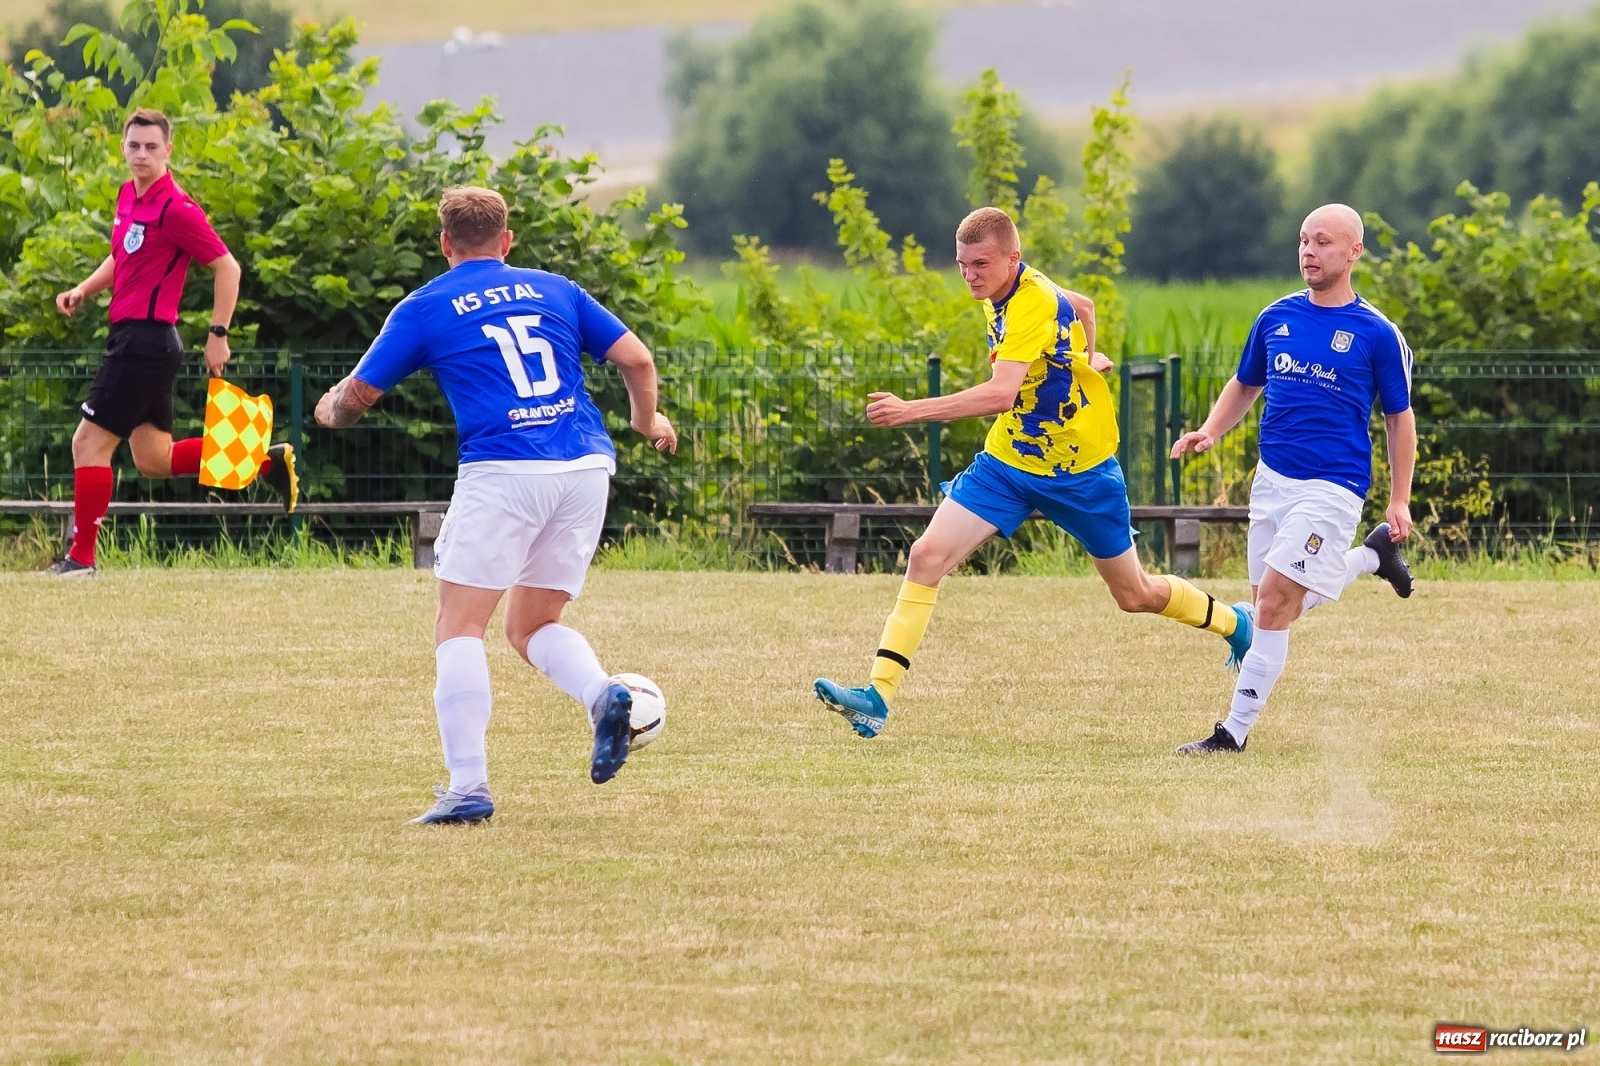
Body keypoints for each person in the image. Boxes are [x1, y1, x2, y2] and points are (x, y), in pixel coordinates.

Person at [813, 206, 1255, 738]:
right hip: (1009, 462)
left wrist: (910, 410)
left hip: (1080, 470)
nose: (970, 275)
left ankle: (1235, 623)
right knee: (927, 556)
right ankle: (876, 696)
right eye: (962, 265)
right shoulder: (1007, 290)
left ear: (1011, 259)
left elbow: (1001, 393)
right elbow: (1085, 305)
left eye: (980, 264)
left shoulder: (1032, 300)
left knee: (1134, 595)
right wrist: (1090, 355)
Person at [314, 185, 678, 824]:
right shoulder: (557, 288)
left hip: (506, 470)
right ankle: (602, 695)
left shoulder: (425, 306)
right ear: (507, 241)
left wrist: (327, 408)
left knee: (459, 626)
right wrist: (647, 422)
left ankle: (468, 787)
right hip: (586, 467)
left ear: (445, 244)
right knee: (531, 625)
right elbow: (638, 359)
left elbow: (356, 400)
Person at [1169, 203, 1415, 755]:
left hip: (1333, 486)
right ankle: (1372, 558)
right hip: (1272, 480)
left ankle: (1231, 734)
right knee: (1271, 608)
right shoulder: (1276, 317)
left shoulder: (1376, 333)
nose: (1309, 251)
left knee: (1276, 603)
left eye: (1323, 242)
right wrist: (1210, 430)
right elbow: (1244, 384)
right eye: (1304, 240)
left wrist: (1399, 499)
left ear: (1354, 251)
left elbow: (1399, 418)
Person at [50, 108, 297, 576]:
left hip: (145, 341)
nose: (141, 154)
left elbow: (228, 267)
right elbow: (121, 257)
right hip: (137, 339)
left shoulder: (176, 208)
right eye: (134, 145)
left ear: (168, 150)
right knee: (154, 460)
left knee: (88, 445)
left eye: (151, 146)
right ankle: (263, 462)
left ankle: (80, 560)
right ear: (123, 147)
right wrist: (84, 289)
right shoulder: (128, 195)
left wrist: (218, 335)